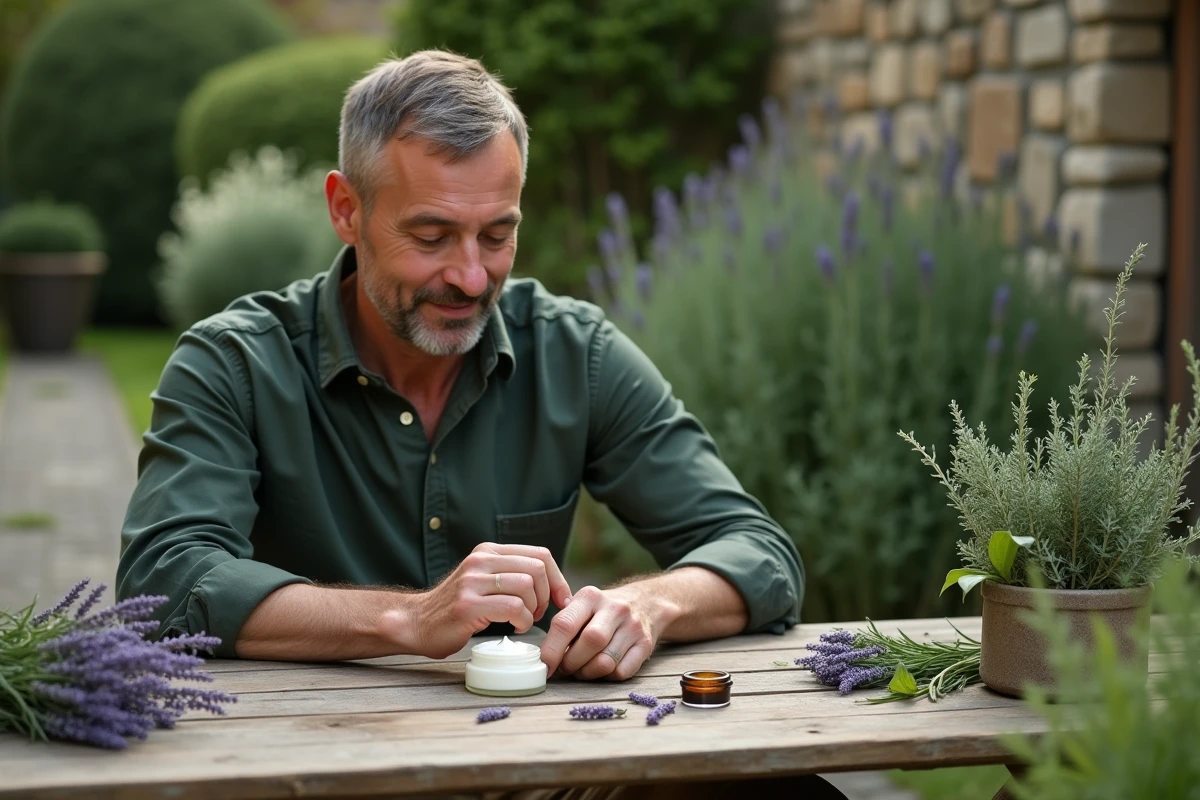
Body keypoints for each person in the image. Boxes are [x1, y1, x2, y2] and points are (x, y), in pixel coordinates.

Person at [117, 49, 838, 799]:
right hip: (314, 772)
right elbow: (165, 581)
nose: (469, 276)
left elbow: (759, 555)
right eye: (431, 237)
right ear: (346, 210)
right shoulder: (232, 363)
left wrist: (647, 606)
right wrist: (404, 620)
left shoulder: (575, 353)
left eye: (496, 235)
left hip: (539, 773)